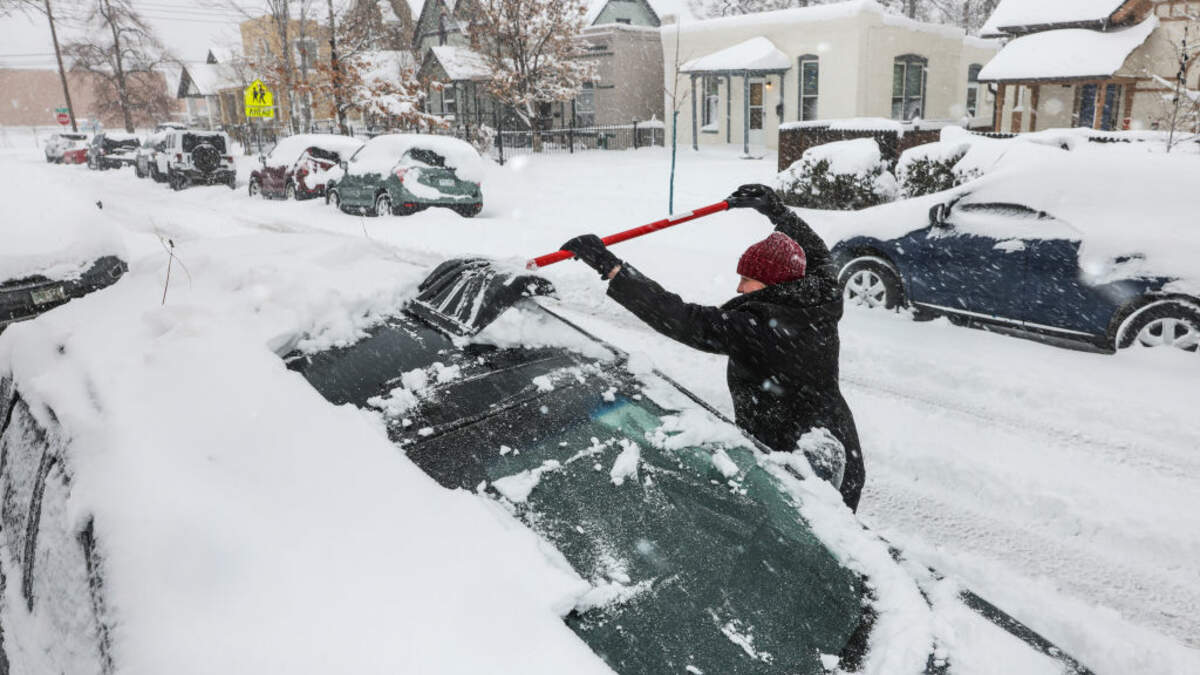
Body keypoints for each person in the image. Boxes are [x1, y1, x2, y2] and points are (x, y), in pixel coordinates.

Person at [561, 184, 864, 511]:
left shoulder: (758, 328)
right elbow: (816, 251)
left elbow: (680, 317)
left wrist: (611, 268)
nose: (739, 287)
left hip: (800, 466)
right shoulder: (821, 298)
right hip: (839, 448)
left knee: (810, 533)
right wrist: (775, 210)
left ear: (774, 284)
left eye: (747, 279)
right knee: (840, 528)